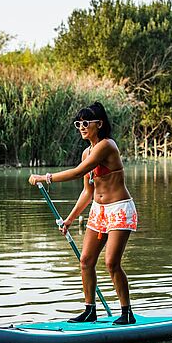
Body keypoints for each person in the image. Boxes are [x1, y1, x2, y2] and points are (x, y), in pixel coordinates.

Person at [28, 101, 137, 325]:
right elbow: (88, 192)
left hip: (119, 210)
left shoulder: (107, 146)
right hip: (99, 212)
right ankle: (90, 310)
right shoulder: (87, 151)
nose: (81, 127)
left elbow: (78, 173)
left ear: (99, 124)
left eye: (86, 123)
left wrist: (45, 177)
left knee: (111, 263)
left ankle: (127, 313)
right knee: (86, 260)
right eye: (78, 123)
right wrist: (69, 219)